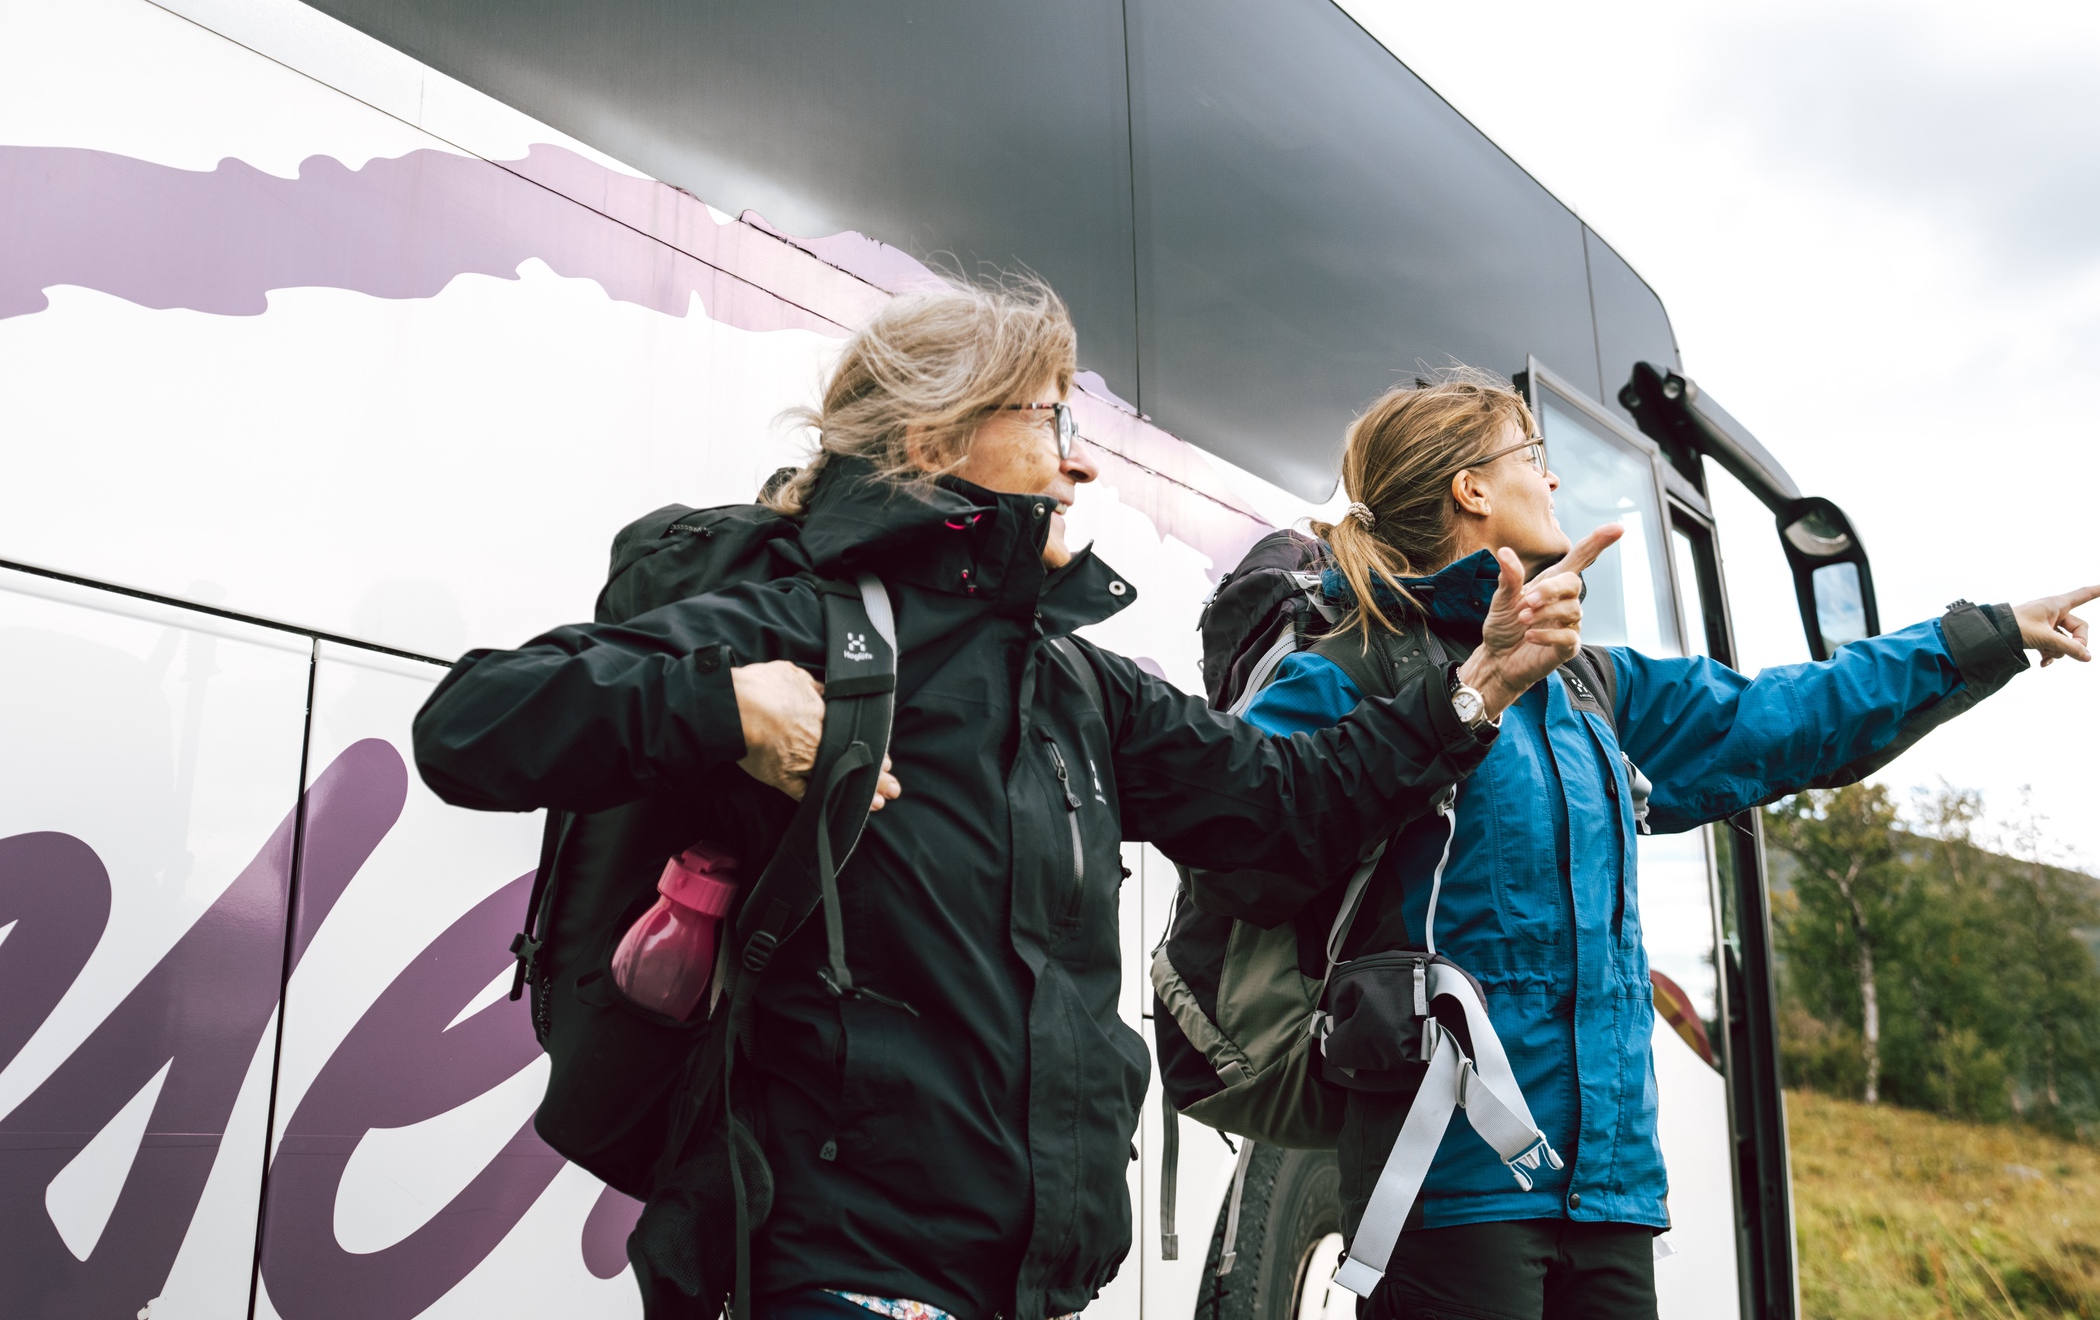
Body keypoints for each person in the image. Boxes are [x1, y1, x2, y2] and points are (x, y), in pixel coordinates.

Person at [410, 283, 1595, 1320]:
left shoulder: (1075, 684)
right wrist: (726, 706)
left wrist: (1476, 687)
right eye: (1053, 421)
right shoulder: (804, 629)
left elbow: (1284, 804)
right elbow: (470, 724)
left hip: (1024, 1290)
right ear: (935, 437)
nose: (1084, 462)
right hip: (844, 1277)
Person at [1243, 367, 2095, 1320]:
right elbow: (1246, 832)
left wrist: (1978, 639)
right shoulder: (1344, 674)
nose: (1552, 478)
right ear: (1470, 488)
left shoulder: (1589, 688)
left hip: (1609, 1195)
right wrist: (1461, 702)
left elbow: (1787, 712)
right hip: (1448, 1188)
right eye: (1533, 454)